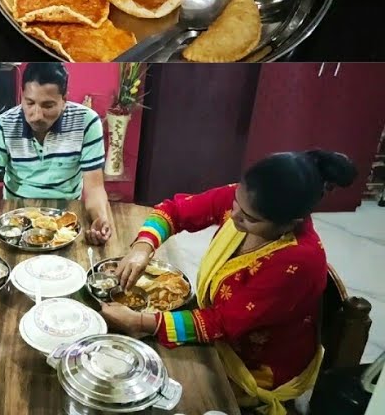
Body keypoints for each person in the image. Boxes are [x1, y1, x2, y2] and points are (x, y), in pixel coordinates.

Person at [100, 150, 357, 415]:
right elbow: (175, 211)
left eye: (250, 218)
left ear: (289, 224)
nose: (234, 216)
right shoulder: (249, 200)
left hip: (252, 364)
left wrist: (140, 322)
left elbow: (220, 323)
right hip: (220, 325)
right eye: (236, 202)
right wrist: (143, 246)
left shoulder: (297, 262)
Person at [0, 63, 112, 244]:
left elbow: (94, 188)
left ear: (64, 100)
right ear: (21, 97)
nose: (37, 115)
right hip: (17, 215)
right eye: (30, 103)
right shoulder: (4, 125)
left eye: (48, 105)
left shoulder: (87, 122)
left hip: (66, 214)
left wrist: (99, 217)